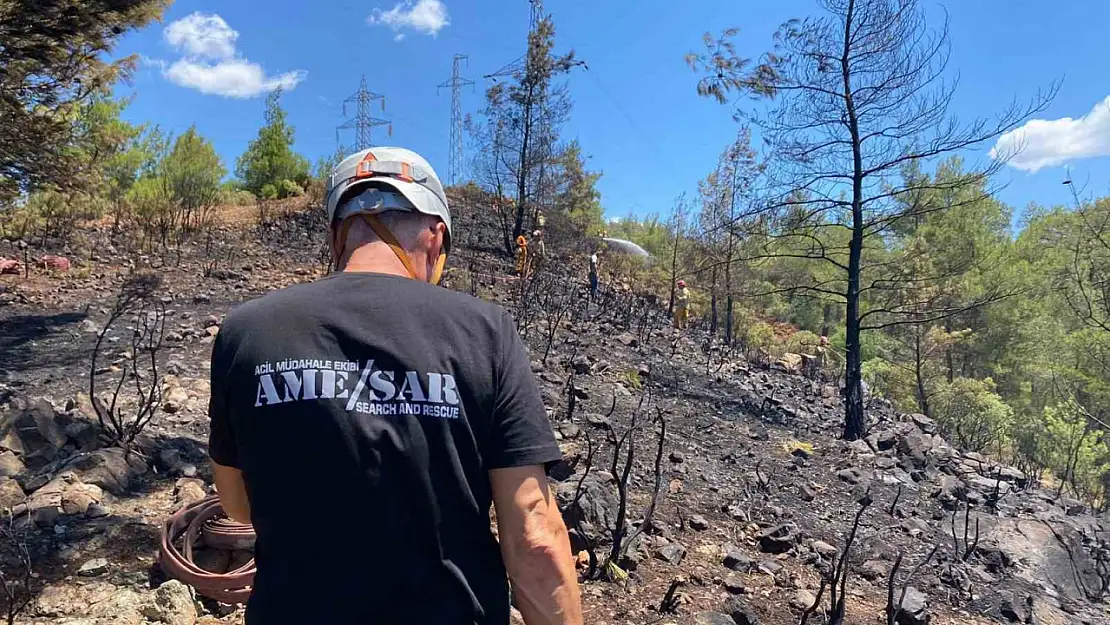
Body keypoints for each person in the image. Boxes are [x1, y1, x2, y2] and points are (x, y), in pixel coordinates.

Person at [207, 147, 582, 625]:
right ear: (434, 235)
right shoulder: (486, 331)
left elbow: (238, 505)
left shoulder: (246, 331)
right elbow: (533, 535)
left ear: (338, 235)